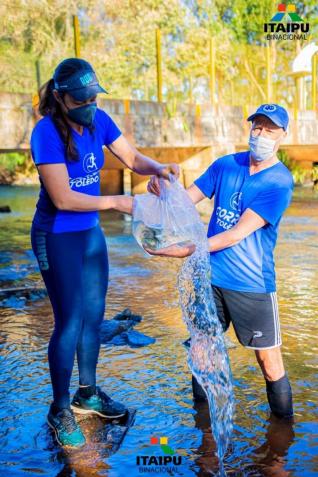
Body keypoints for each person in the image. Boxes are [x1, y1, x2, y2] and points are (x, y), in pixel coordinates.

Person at [30, 57, 179, 448]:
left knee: (93, 317)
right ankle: (59, 408)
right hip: (56, 236)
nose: (90, 103)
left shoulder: (99, 121)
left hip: (90, 236)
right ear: (61, 98)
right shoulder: (45, 133)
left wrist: (158, 168)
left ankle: (88, 394)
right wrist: (117, 202)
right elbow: (62, 199)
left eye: (94, 96)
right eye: (82, 98)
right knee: (71, 320)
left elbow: (131, 159)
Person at [146, 104, 294, 420]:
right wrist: (161, 189)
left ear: (283, 135)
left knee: (269, 362)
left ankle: (282, 441)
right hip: (211, 278)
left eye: (270, 129)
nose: (261, 134)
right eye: (257, 127)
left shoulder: (279, 182)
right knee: (202, 352)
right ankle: (203, 436)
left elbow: (236, 234)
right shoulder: (225, 165)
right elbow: (182, 202)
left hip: (252, 285)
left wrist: (186, 249)